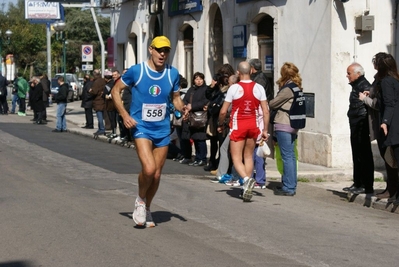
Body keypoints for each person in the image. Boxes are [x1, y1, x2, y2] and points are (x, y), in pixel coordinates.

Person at [111, 36, 187, 227]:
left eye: (166, 51)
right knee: (149, 169)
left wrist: (182, 108)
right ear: (151, 50)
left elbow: (176, 97)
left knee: (157, 174)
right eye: (159, 50)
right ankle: (140, 200)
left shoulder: (173, 73)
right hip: (141, 127)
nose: (163, 54)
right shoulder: (137, 71)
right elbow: (115, 91)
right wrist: (124, 115)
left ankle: (147, 208)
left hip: (162, 128)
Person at [218, 61, 269, 202]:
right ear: (251, 71)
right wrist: (265, 130)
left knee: (236, 158)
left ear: (238, 72)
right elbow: (265, 111)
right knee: (248, 156)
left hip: (238, 125)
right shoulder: (259, 88)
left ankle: (246, 180)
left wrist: (220, 124)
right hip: (253, 126)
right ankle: (246, 187)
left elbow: (223, 111)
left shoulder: (233, 88)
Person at [360, 53, 399, 200]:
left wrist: (385, 121)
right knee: (389, 158)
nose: (373, 64)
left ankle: (393, 189)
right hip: (388, 124)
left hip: (388, 126)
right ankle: (391, 188)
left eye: (375, 61)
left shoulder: (387, 81)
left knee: (390, 158)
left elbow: (388, 103)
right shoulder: (389, 79)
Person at [269, 62, 304, 196]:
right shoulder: (297, 87)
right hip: (294, 124)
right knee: (291, 156)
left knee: (287, 156)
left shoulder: (288, 89)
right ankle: (291, 184)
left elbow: (273, 103)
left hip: (284, 123)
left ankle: (288, 187)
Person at [341, 63, 374, 194]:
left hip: (361, 124)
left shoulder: (364, 86)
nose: (347, 76)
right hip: (356, 123)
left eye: (349, 73)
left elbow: (367, 106)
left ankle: (364, 184)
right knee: (358, 154)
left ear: (358, 74)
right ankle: (358, 182)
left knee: (362, 154)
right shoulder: (357, 85)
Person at [205, 64, 235, 172]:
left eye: (226, 75)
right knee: (213, 141)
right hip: (214, 117)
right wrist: (211, 86)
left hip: (223, 117)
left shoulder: (231, 88)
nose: (225, 78)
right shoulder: (219, 87)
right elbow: (209, 96)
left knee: (223, 143)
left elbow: (222, 105)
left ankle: (224, 167)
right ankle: (213, 162)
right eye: (222, 75)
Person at [183, 72, 209, 167]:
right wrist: (186, 106)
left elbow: (205, 101)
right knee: (195, 138)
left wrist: (192, 106)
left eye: (200, 79)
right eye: (197, 79)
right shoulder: (192, 89)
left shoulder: (205, 89)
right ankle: (197, 158)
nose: (199, 81)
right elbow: (185, 99)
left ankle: (202, 158)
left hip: (200, 117)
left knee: (201, 138)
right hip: (192, 117)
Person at [89, 69, 106, 136]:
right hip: (102, 100)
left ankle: (101, 129)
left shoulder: (96, 82)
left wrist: (90, 91)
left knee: (100, 116)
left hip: (98, 101)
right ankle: (100, 128)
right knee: (101, 115)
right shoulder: (102, 80)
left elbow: (94, 92)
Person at [103, 70, 117, 138]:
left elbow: (105, 94)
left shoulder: (108, 85)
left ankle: (114, 132)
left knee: (112, 119)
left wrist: (105, 95)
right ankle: (113, 132)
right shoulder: (114, 83)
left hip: (110, 104)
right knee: (113, 119)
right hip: (114, 103)